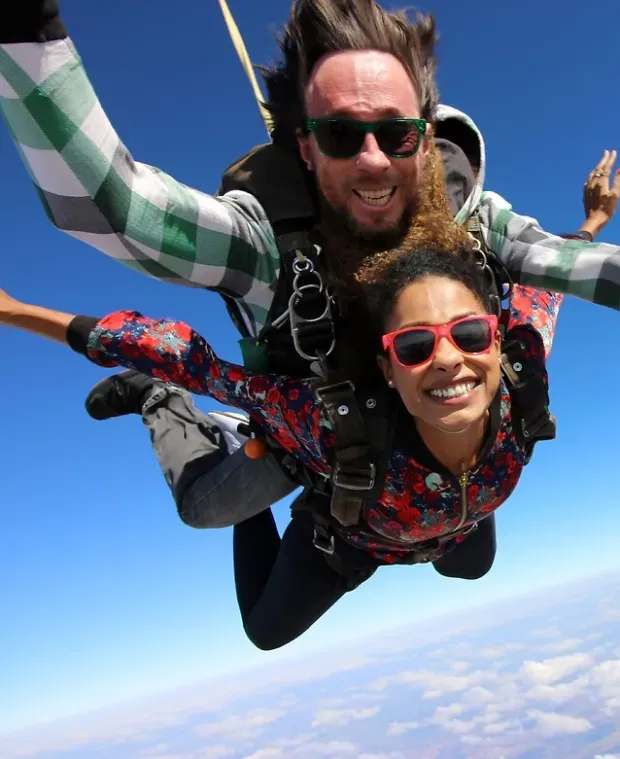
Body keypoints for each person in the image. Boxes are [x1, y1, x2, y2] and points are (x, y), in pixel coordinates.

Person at [1, 0, 620, 532]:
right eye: (341, 135)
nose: (373, 160)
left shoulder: (477, 225)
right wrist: (25, 27)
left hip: (428, 447)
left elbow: (561, 272)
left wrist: (591, 224)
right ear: (305, 148)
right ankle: (156, 401)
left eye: (396, 133)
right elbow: (117, 210)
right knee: (205, 509)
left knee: (467, 546)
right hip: (307, 432)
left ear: (426, 139)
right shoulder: (270, 248)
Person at [0, 221, 566, 650]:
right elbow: (197, 367)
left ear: (496, 340)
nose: (447, 359)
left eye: (469, 334)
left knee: (470, 565)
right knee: (264, 629)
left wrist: (589, 225)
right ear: (388, 368)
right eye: (415, 347)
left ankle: (442, 519)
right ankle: (175, 415)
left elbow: (551, 285)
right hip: (350, 535)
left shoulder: (523, 382)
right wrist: (19, 311)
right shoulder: (335, 420)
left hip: (450, 521)